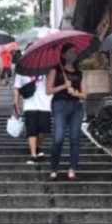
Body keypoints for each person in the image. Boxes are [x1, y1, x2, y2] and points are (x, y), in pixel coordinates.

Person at [47, 45, 85, 181]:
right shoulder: (55, 70)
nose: (73, 54)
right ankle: (53, 168)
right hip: (60, 106)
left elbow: (85, 94)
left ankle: (72, 169)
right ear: (63, 55)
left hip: (76, 107)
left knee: (75, 138)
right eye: (70, 52)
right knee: (58, 138)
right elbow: (48, 90)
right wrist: (64, 86)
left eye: (75, 52)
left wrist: (75, 92)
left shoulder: (79, 73)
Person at [14, 70, 50, 164]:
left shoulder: (47, 70)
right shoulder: (22, 70)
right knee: (31, 130)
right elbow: (17, 87)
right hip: (30, 105)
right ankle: (33, 155)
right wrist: (15, 103)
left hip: (45, 104)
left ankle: (36, 146)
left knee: (43, 132)